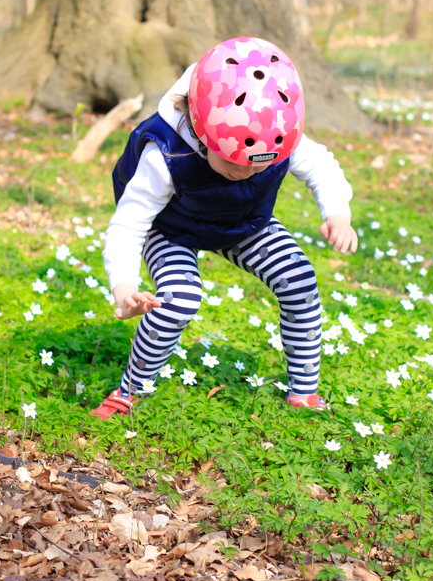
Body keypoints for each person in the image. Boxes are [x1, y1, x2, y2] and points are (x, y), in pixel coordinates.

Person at [91, 37, 357, 420]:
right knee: (178, 300)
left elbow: (321, 166)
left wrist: (337, 212)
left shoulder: (276, 131)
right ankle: (130, 390)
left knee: (299, 280)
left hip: (242, 223)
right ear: (200, 129)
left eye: (259, 166)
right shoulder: (166, 154)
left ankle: (304, 392)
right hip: (171, 228)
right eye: (235, 164)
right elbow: (129, 224)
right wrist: (125, 287)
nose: (247, 172)